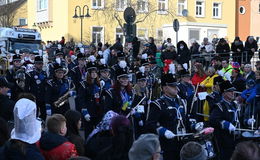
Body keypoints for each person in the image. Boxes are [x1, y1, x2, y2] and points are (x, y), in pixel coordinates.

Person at [146, 73, 199, 160]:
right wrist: (164, 131)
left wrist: (194, 125)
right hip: (168, 144)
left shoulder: (182, 102)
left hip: (184, 142)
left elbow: (185, 119)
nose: (176, 88)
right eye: (172, 86)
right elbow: (150, 124)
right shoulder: (158, 104)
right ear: (165, 88)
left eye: (176, 85)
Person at [210, 80, 239, 160]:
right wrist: (225, 124)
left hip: (235, 138)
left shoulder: (234, 105)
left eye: (233, 91)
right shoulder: (219, 106)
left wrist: (248, 121)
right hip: (224, 139)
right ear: (224, 93)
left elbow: (239, 118)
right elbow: (213, 120)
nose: (233, 93)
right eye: (230, 91)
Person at [77, 60, 102, 137]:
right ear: (88, 73)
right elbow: (81, 99)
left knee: (98, 132)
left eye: (95, 72)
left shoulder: (98, 83)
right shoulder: (84, 84)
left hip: (97, 111)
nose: (94, 74)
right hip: (88, 111)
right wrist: (85, 112)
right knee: (88, 132)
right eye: (92, 72)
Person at [24, 56, 47, 120]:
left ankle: (43, 125)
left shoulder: (45, 74)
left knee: (44, 114)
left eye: (41, 63)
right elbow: (26, 87)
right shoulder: (30, 74)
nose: (40, 65)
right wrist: (28, 97)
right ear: (35, 64)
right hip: (33, 97)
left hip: (42, 97)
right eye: (38, 63)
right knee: (34, 113)